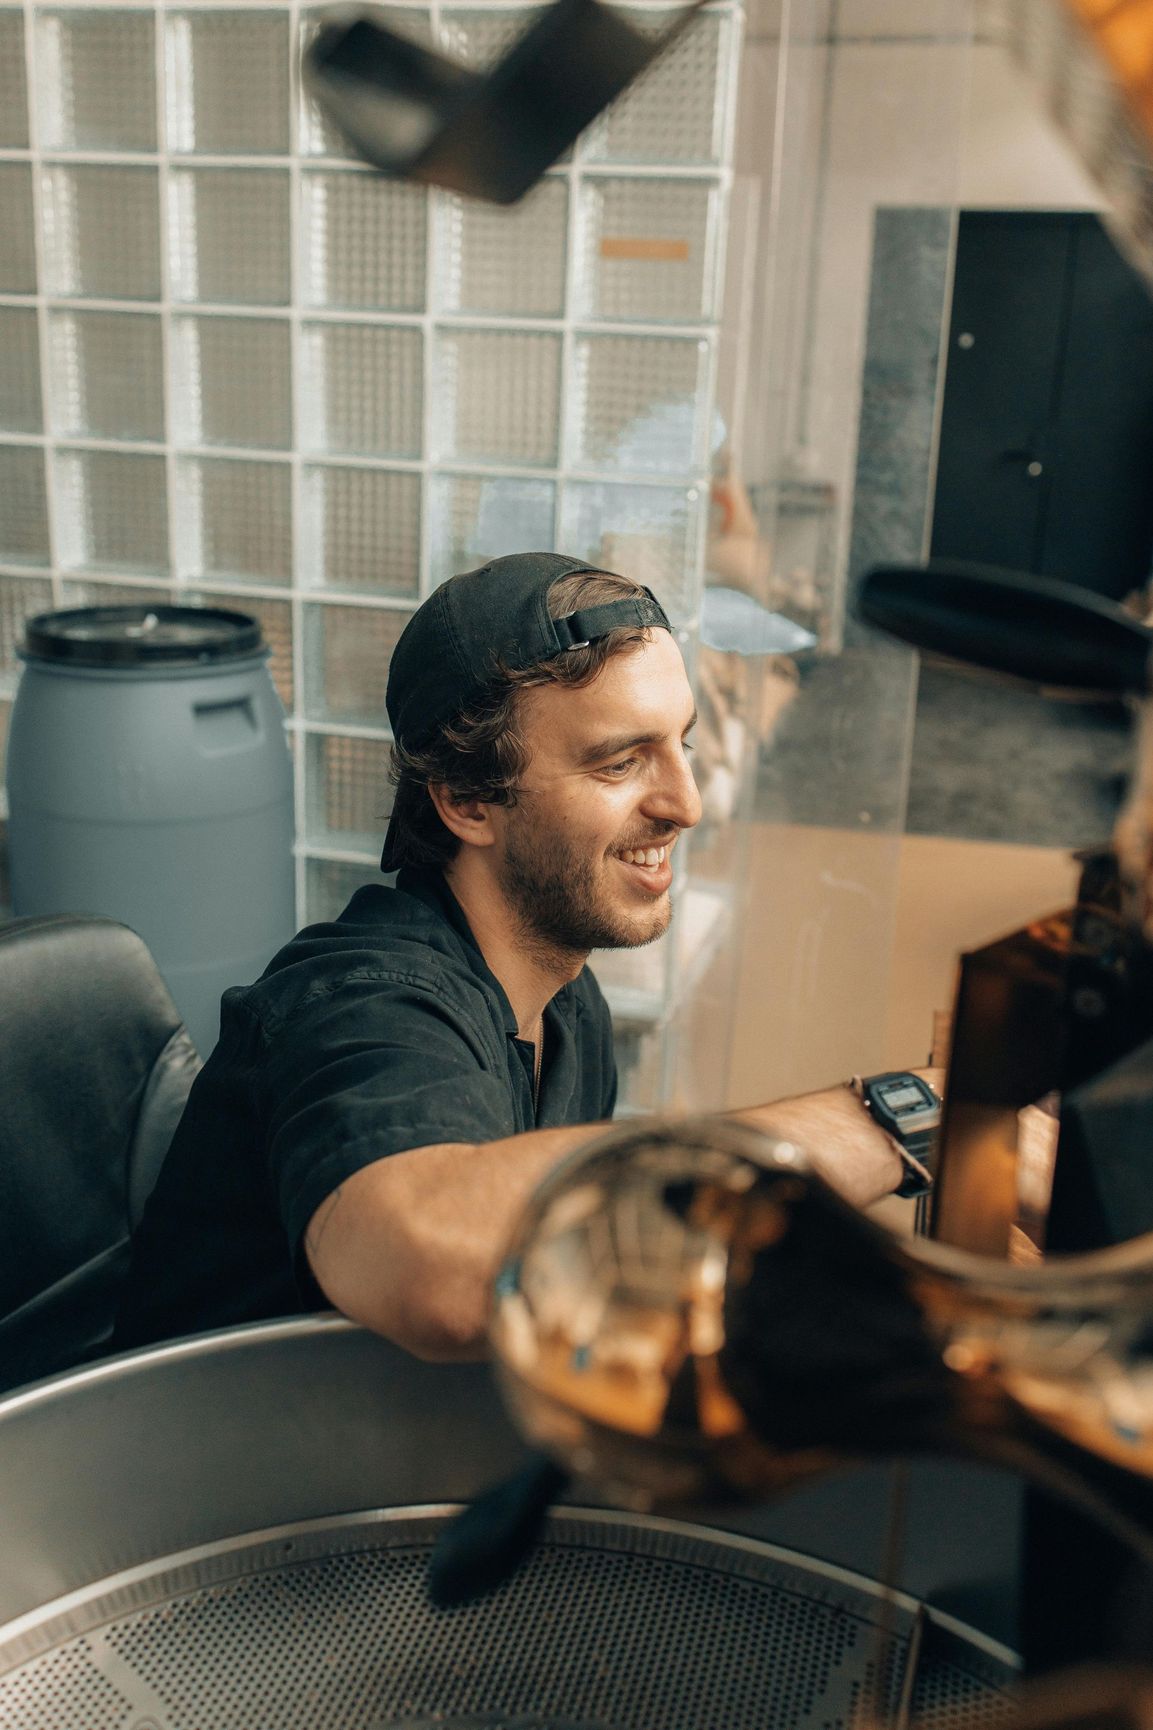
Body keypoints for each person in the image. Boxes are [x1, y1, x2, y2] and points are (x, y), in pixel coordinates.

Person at [114, 552, 928, 1360]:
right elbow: (438, 1269)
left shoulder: (568, 1008)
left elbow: (558, 1271)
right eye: (620, 762)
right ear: (468, 800)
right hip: (205, 1476)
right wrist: (894, 1118)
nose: (686, 802)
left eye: (680, 743)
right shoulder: (357, 1004)